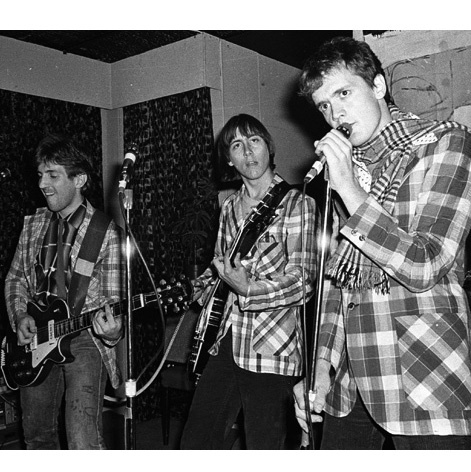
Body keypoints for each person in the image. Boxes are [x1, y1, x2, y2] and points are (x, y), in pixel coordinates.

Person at [293, 36, 471, 449]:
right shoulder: (349, 170)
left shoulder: (446, 142)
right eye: (324, 105)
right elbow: (339, 282)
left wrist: (350, 190)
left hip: (425, 371)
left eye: (343, 93)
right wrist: (321, 364)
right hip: (353, 377)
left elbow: (426, 263)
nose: (335, 114)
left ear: (377, 85)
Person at [180, 114, 317, 449]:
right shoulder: (229, 207)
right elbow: (221, 269)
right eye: (237, 145)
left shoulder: (298, 204)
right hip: (226, 337)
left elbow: (303, 280)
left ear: (268, 147)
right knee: (197, 441)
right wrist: (198, 287)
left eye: (254, 140)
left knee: (264, 446)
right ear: (229, 159)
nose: (248, 151)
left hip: (272, 345)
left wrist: (249, 289)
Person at [4, 134, 124, 449]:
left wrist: (112, 332)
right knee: (37, 436)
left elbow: (112, 303)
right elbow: (15, 279)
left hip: (84, 336)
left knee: (82, 440)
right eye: (40, 175)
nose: (42, 183)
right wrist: (20, 316)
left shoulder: (105, 232)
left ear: (79, 179)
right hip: (37, 336)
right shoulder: (34, 224)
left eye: (52, 175)